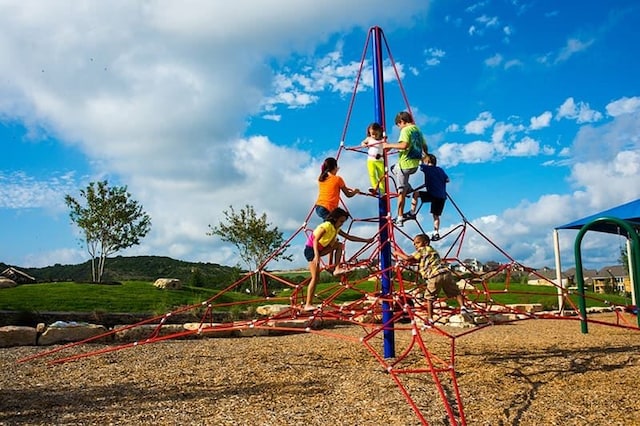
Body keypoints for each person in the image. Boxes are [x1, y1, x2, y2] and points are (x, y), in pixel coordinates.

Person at [303, 207, 373, 311]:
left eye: (343, 222)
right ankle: (308, 304)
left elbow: (349, 237)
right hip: (311, 250)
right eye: (341, 221)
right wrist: (317, 256)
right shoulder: (326, 226)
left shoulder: (336, 228)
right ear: (335, 219)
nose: (341, 224)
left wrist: (366, 240)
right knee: (315, 278)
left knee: (339, 245)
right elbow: (315, 240)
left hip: (321, 249)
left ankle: (336, 268)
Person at [393, 234, 469, 322]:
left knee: (429, 298)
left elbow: (408, 258)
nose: (415, 245)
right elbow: (418, 260)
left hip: (434, 276)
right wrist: (410, 261)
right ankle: (463, 307)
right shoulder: (432, 250)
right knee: (456, 292)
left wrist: (397, 253)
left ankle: (430, 319)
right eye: (414, 244)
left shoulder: (422, 249)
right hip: (446, 273)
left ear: (426, 243)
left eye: (417, 243)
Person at [383, 111, 427, 227]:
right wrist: (425, 156)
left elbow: (404, 145)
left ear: (401, 122)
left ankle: (400, 217)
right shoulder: (417, 130)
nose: (399, 128)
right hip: (414, 166)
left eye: (398, 125)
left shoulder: (405, 130)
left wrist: (388, 145)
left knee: (400, 193)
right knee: (394, 168)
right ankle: (407, 187)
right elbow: (424, 146)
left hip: (405, 165)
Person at [406, 154, 449, 241]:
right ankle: (436, 233)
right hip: (441, 196)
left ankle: (412, 212)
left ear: (428, 162)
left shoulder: (427, 168)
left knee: (416, 194)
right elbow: (447, 180)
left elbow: (420, 163)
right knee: (436, 216)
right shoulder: (440, 170)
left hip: (432, 194)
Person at [361, 122, 385, 194]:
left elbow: (388, 147)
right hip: (371, 160)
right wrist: (364, 144)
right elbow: (363, 142)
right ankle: (375, 188)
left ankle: (382, 191)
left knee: (381, 176)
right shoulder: (369, 139)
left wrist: (385, 149)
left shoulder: (382, 140)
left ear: (380, 132)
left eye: (375, 134)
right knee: (372, 174)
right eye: (372, 134)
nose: (374, 136)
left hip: (380, 160)